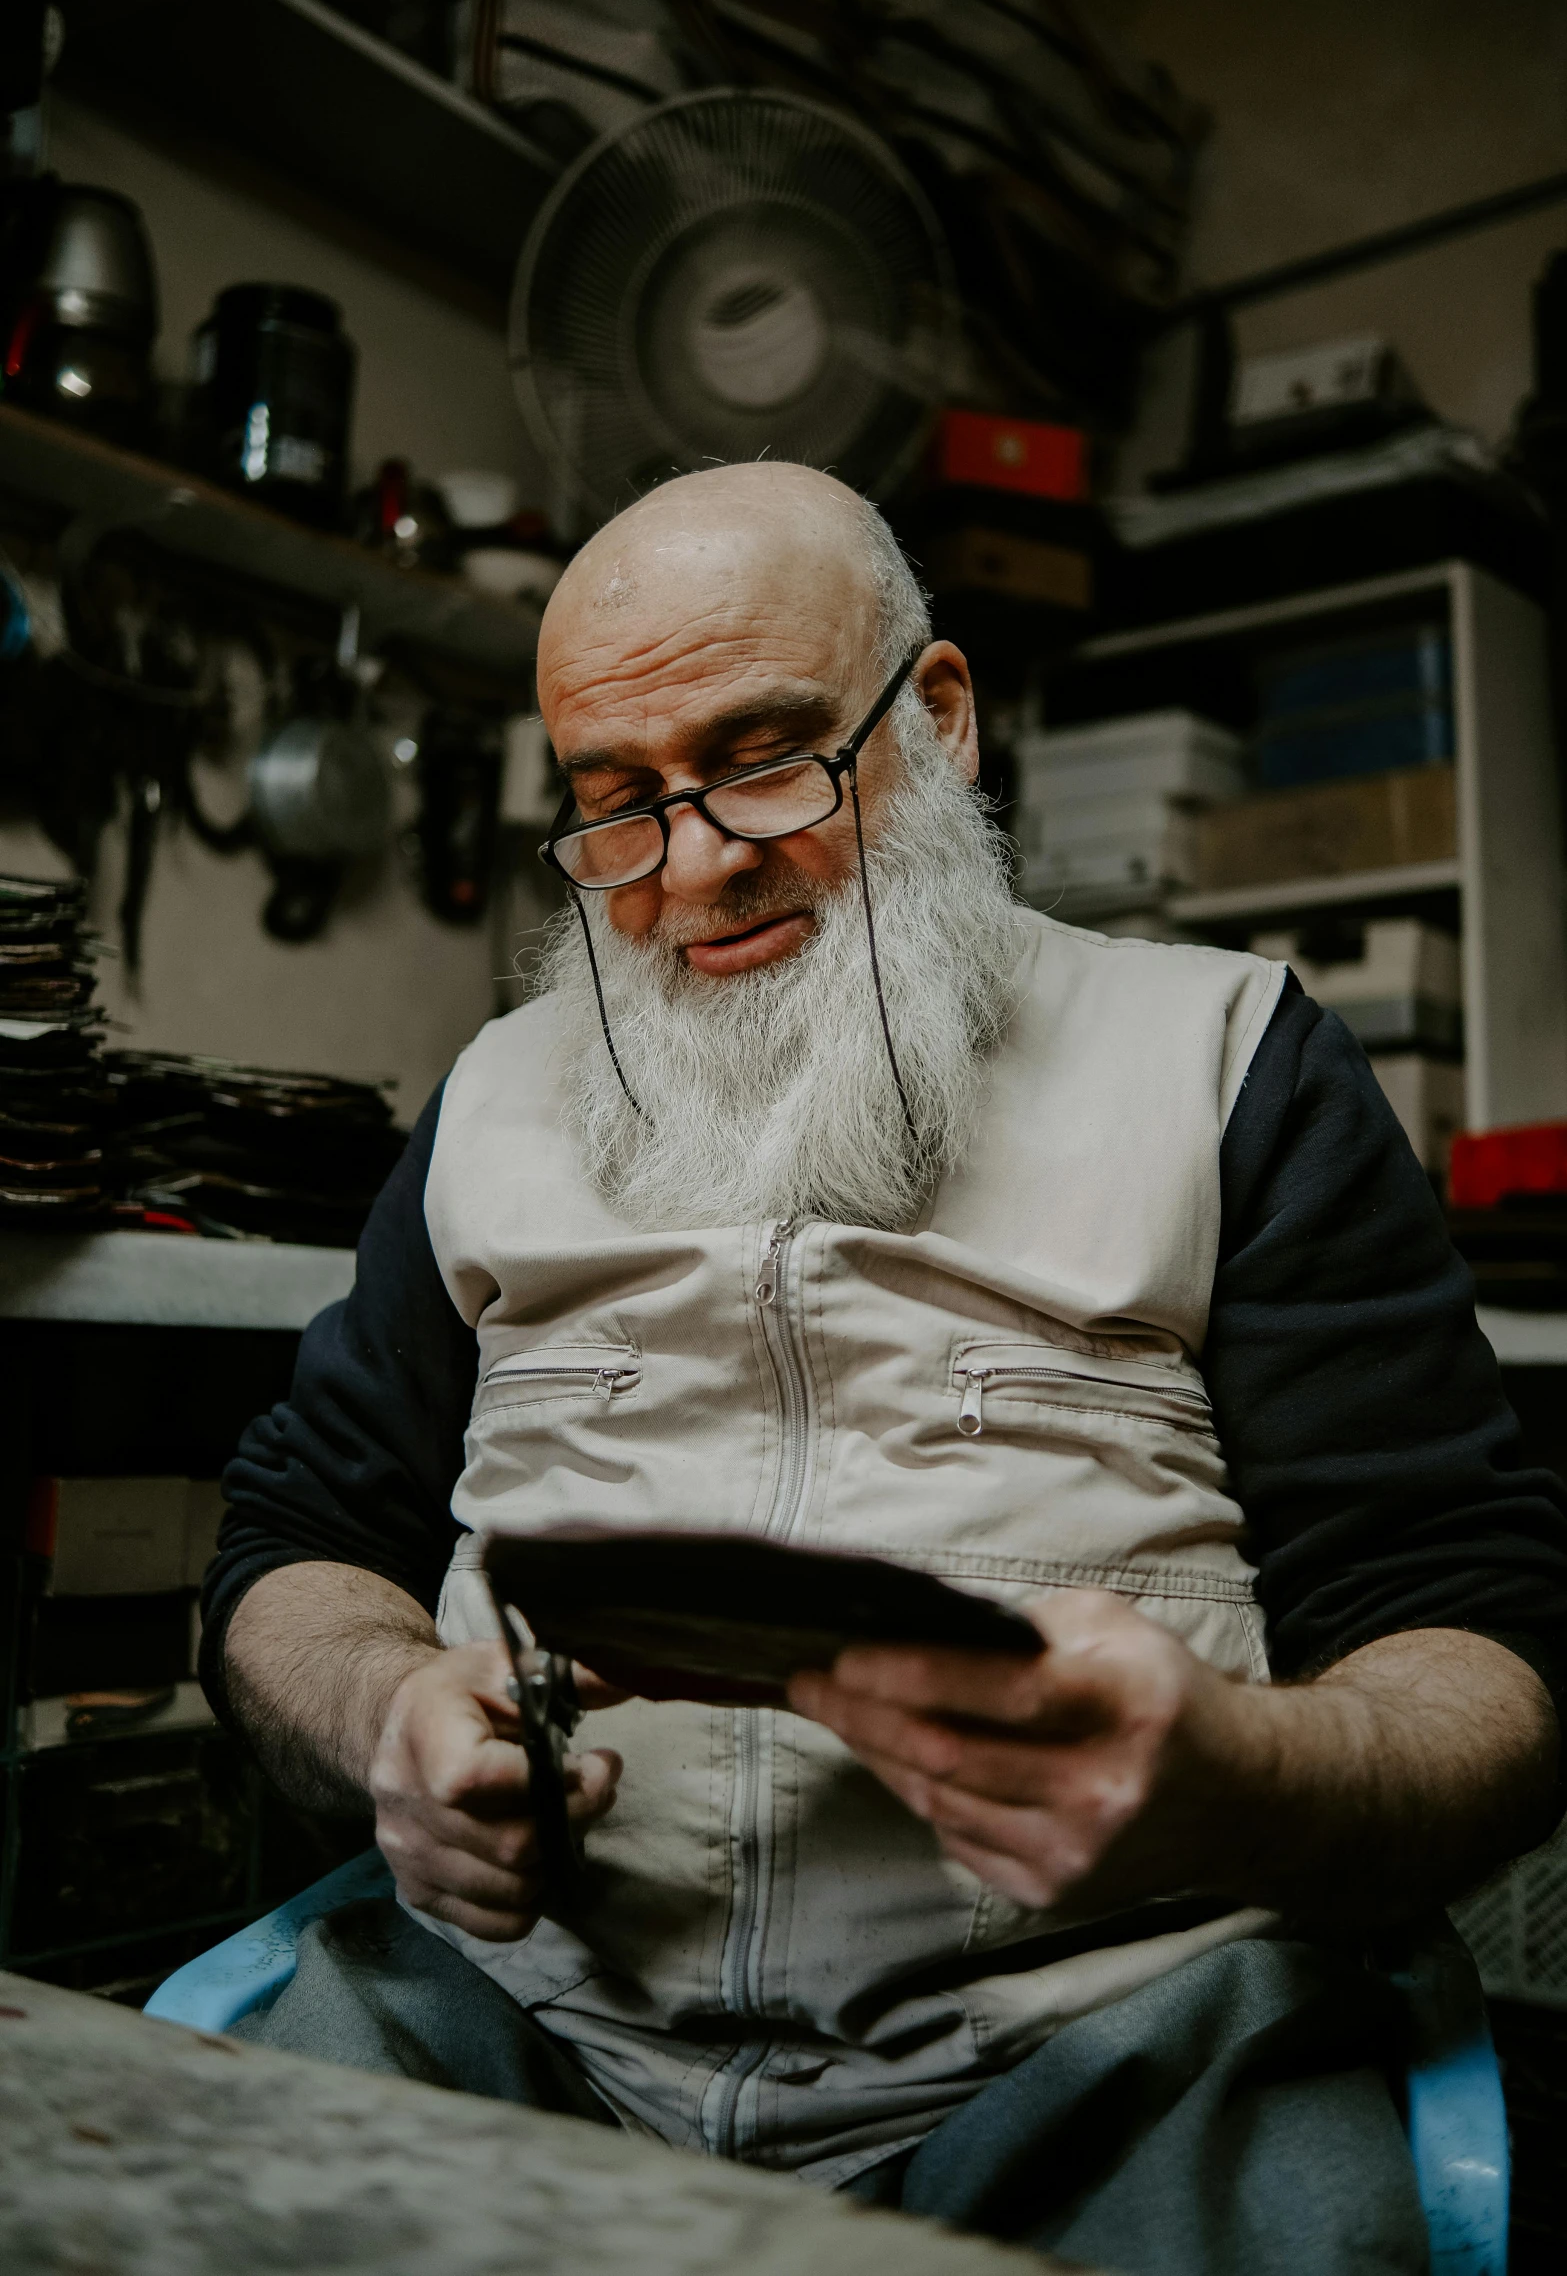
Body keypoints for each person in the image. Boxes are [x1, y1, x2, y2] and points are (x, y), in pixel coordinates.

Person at [206, 462, 1567, 2276]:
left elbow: (1477, 1632)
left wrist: (1241, 1771)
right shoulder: (493, 1102)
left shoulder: (1227, 1064)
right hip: (516, 2023)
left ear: (935, 716)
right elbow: (291, 1545)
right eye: (617, 802)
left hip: (1113, 2047)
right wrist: (387, 1715)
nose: (692, 863)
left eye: (765, 753)